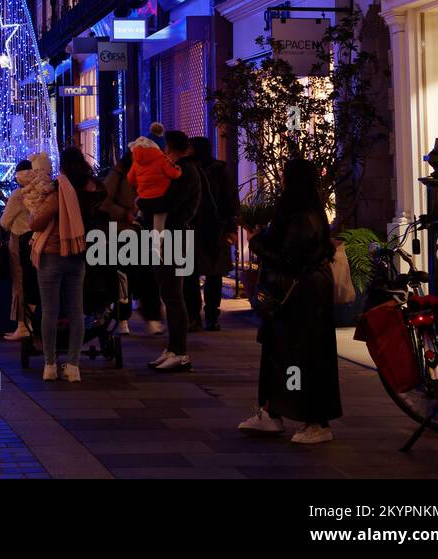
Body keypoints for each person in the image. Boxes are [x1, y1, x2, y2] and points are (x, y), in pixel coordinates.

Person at [239, 158, 341, 444]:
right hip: (295, 296)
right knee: (281, 354)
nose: (281, 182)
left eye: (285, 177)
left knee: (301, 357)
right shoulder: (301, 211)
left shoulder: (301, 215)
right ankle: (272, 411)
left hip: (301, 296)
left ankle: (315, 420)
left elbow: (290, 258)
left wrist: (256, 243)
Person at [23, 151, 87, 382]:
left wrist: (32, 218)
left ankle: (49, 364)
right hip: (78, 253)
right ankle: (74, 366)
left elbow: (37, 221)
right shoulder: (92, 190)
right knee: (76, 311)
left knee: (50, 310)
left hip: (52, 254)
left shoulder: (60, 190)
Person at [146, 130, 200, 374]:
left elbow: (168, 202)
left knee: (174, 297)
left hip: (174, 237)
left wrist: (142, 203)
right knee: (169, 295)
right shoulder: (184, 170)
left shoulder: (185, 172)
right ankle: (173, 349)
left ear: (169, 147)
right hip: (170, 236)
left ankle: (179, 352)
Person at [185, 136, 237, 332]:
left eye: (191, 147)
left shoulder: (217, 170)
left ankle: (208, 316)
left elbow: (229, 200)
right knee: (194, 274)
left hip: (212, 228)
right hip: (199, 228)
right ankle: (199, 316)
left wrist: (230, 228)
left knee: (210, 274)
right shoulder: (192, 168)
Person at [99, 149, 139, 334]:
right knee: (122, 275)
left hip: (137, 231)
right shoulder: (118, 175)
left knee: (129, 275)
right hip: (119, 232)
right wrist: (124, 213)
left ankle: (123, 314)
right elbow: (103, 202)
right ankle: (120, 316)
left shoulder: (145, 174)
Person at [0, 159, 34, 342]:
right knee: (34, 282)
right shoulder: (41, 191)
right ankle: (34, 322)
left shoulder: (17, 194)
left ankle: (23, 324)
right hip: (37, 241)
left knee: (20, 282)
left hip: (19, 240)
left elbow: (5, 222)